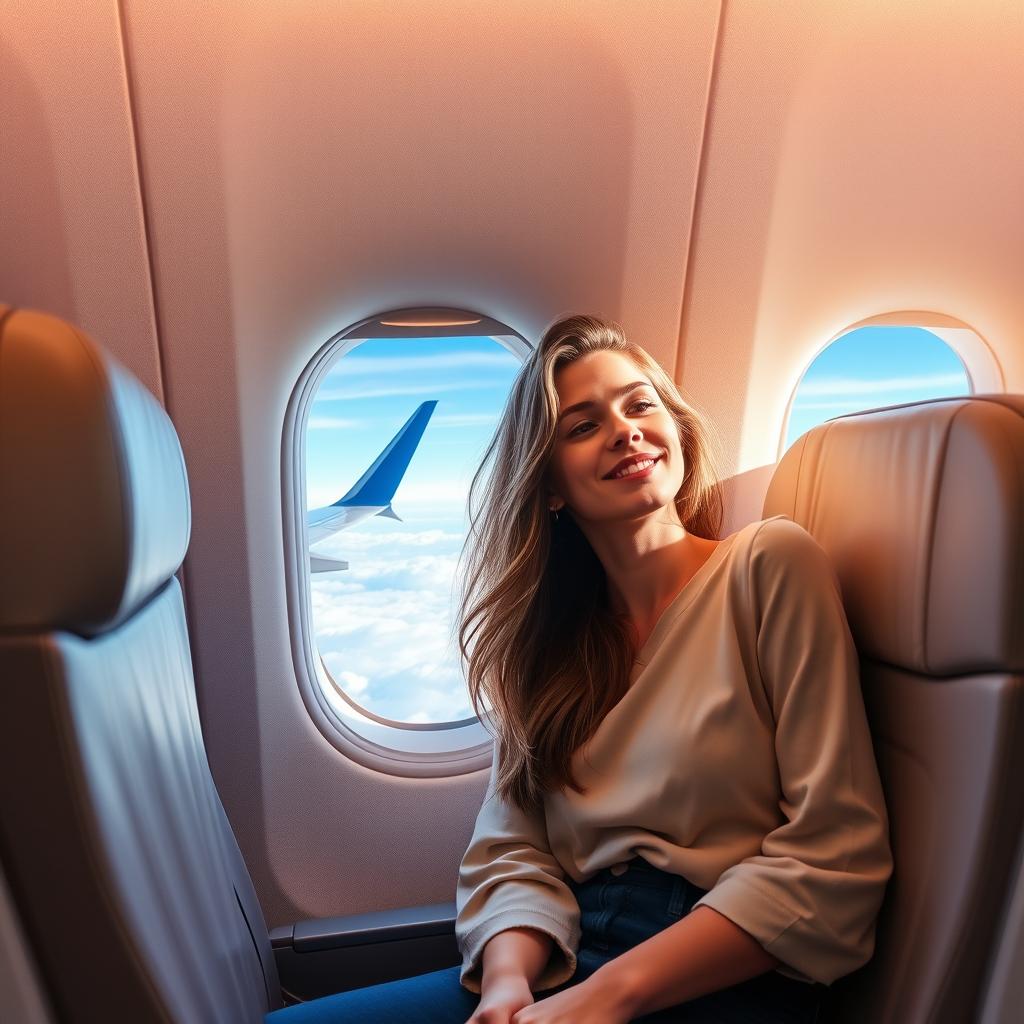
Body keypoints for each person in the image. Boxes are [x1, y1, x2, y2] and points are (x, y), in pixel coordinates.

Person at [266, 314, 893, 1023]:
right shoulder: (552, 644)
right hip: (567, 956)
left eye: (640, 404)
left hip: (724, 968)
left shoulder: (769, 565)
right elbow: (512, 847)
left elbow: (833, 854)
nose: (625, 430)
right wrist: (507, 987)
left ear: (678, 432)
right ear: (551, 484)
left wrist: (606, 1000)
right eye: (584, 425)